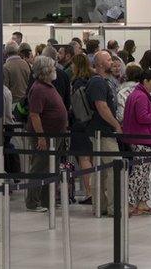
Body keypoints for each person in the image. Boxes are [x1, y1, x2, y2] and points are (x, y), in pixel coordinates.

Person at [122, 68, 151, 215]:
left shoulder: (138, 94)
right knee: (139, 173)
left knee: (144, 172)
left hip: (143, 138)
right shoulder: (141, 96)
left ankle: (142, 202)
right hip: (141, 139)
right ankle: (129, 203)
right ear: (145, 81)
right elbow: (142, 117)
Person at [24, 55, 68, 212]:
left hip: (56, 136)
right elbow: (34, 115)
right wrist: (41, 137)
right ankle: (32, 202)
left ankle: (46, 200)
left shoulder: (49, 86)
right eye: (52, 68)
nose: (55, 70)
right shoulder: (38, 89)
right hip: (45, 136)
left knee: (51, 168)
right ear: (44, 71)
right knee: (39, 168)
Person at [84, 51, 121, 216]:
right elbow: (102, 107)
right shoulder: (97, 83)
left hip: (104, 131)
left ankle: (102, 206)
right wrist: (116, 124)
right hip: (102, 133)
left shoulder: (103, 82)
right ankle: (113, 207)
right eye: (108, 59)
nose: (111, 62)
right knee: (115, 167)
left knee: (104, 171)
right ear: (99, 64)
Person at [68, 53, 94, 203]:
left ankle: (89, 192)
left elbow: (77, 106)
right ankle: (93, 191)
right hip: (91, 124)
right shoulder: (92, 79)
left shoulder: (77, 82)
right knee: (91, 157)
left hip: (80, 124)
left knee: (83, 158)